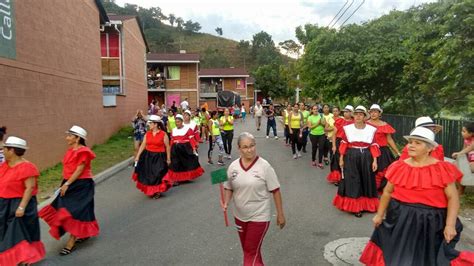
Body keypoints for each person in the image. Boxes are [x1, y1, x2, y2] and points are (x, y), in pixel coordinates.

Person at [360, 126, 474, 266]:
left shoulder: (442, 168)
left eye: (417, 143)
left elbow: (453, 198)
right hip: (400, 218)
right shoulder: (398, 166)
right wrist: (379, 214)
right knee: (398, 254)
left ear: (429, 148)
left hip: (431, 222)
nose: (411, 145)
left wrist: (450, 225)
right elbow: (387, 192)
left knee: (427, 258)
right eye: (410, 142)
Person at [222, 132, 286, 266]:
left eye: (252, 146)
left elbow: (275, 191)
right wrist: (226, 202)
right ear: (238, 148)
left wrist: (280, 214)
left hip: (259, 216)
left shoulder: (265, 166)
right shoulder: (233, 166)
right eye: (245, 147)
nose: (249, 149)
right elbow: (229, 187)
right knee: (250, 250)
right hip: (239, 216)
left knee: (250, 251)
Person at [39, 126, 99, 255]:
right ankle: (83, 233)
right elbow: (68, 169)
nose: (67, 138)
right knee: (63, 209)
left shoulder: (84, 151)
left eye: (70, 136)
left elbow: (79, 170)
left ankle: (71, 241)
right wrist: (63, 183)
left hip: (81, 185)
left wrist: (67, 184)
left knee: (75, 212)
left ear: (77, 138)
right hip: (68, 182)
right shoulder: (71, 150)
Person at [0, 136, 46, 265]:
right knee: (4, 231)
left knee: (17, 232)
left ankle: (23, 257)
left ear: (12, 150)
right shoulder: (5, 165)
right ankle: (18, 257)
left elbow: (29, 188)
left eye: (4, 149)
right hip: (4, 203)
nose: (2, 151)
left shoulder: (27, 167)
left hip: (19, 203)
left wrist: (21, 207)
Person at [333, 106, 380, 218]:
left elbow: (373, 145)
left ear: (364, 117)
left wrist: (375, 161)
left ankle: (366, 205)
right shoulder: (347, 128)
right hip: (351, 156)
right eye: (356, 114)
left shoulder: (371, 129)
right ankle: (356, 207)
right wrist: (341, 159)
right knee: (354, 180)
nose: (358, 116)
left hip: (366, 156)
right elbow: (343, 144)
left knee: (366, 179)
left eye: (361, 114)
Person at [132, 115, 171, 199]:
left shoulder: (163, 134)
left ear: (156, 124)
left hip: (159, 157)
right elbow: (143, 145)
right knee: (149, 174)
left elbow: (167, 146)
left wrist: (168, 158)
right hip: (148, 156)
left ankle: (157, 191)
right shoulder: (148, 134)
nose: (149, 125)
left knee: (157, 174)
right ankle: (152, 190)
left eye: (150, 123)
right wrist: (138, 156)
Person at [367, 104, 401, 191]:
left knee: (383, 172)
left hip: (383, 152)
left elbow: (389, 140)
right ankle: (369, 191)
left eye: (375, 111)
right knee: (368, 171)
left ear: (379, 113)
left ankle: (382, 191)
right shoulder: (365, 124)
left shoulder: (384, 125)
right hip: (368, 151)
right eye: (371, 111)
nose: (373, 113)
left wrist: (397, 152)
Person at [169, 114, 204, 182]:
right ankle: (176, 179)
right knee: (175, 164)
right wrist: (170, 150)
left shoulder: (188, 129)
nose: (177, 123)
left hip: (185, 149)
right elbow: (172, 141)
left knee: (186, 163)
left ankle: (185, 177)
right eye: (176, 122)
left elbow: (191, 139)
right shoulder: (173, 130)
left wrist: (194, 148)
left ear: (182, 122)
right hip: (175, 149)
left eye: (178, 122)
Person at [327, 105, 354, 184]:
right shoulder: (339, 121)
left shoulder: (355, 122)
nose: (346, 113)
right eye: (345, 112)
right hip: (339, 142)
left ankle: (346, 177)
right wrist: (334, 146)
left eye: (348, 112)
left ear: (352, 113)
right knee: (337, 160)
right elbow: (334, 134)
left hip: (349, 143)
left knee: (347, 160)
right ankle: (337, 178)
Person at [452, 122, 474, 194]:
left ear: (471, 133)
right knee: (454, 165)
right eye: (462, 131)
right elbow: (464, 150)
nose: (461, 133)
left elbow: (470, 148)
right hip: (469, 160)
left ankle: (461, 188)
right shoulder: (466, 140)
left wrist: (459, 153)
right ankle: (461, 187)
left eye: (464, 131)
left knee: (468, 167)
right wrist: (459, 155)